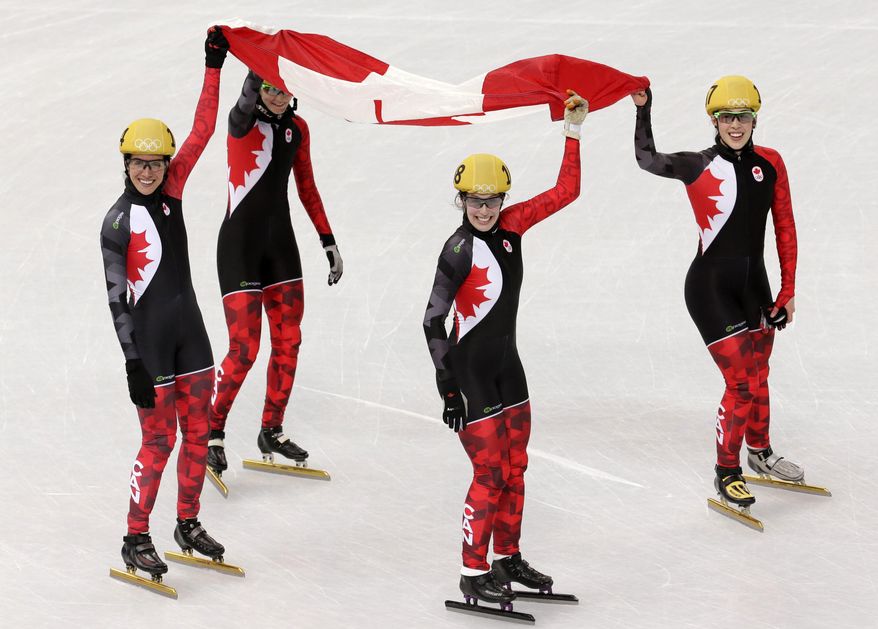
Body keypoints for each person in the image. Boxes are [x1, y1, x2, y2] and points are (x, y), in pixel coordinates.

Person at [423, 91, 588, 605]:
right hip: (470, 377)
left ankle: (506, 558)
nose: (485, 209)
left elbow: (566, 191)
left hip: (508, 372)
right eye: (476, 201)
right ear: (462, 200)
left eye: (493, 201)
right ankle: (472, 572)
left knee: (516, 468)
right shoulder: (457, 249)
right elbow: (431, 320)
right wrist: (448, 387)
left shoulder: (514, 226)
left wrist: (573, 131)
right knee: (489, 472)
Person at [631, 76, 800, 509]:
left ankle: (759, 453)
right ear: (715, 120)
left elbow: (784, 227)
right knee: (741, 382)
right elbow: (647, 159)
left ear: (754, 118)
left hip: (755, 286)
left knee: (759, 376)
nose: (736, 125)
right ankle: (727, 472)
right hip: (709, 289)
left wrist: (788, 290)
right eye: (727, 117)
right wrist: (643, 109)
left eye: (743, 116)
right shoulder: (698, 164)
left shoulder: (772, 163)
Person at [100, 27, 229, 578]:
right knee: (160, 441)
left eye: (156, 163)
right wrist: (132, 361)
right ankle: (135, 536)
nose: (148, 171)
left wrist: (213, 67)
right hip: (150, 346)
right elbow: (116, 298)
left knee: (198, 434)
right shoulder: (117, 222)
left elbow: (203, 129)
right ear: (126, 164)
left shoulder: (174, 191)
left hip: (192, 336)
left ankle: (188, 521)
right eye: (139, 163)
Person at [207, 70, 343, 474]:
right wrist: (254, 59)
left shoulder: (297, 129)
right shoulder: (242, 120)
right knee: (244, 349)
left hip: (280, 247)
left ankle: (272, 429)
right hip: (239, 248)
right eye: (271, 88)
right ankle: (211, 432)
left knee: (289, 342)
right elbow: (246, 95)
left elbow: (307, 186)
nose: (279, 97)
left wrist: (328, 239)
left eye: (285, 89)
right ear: (258, 89)